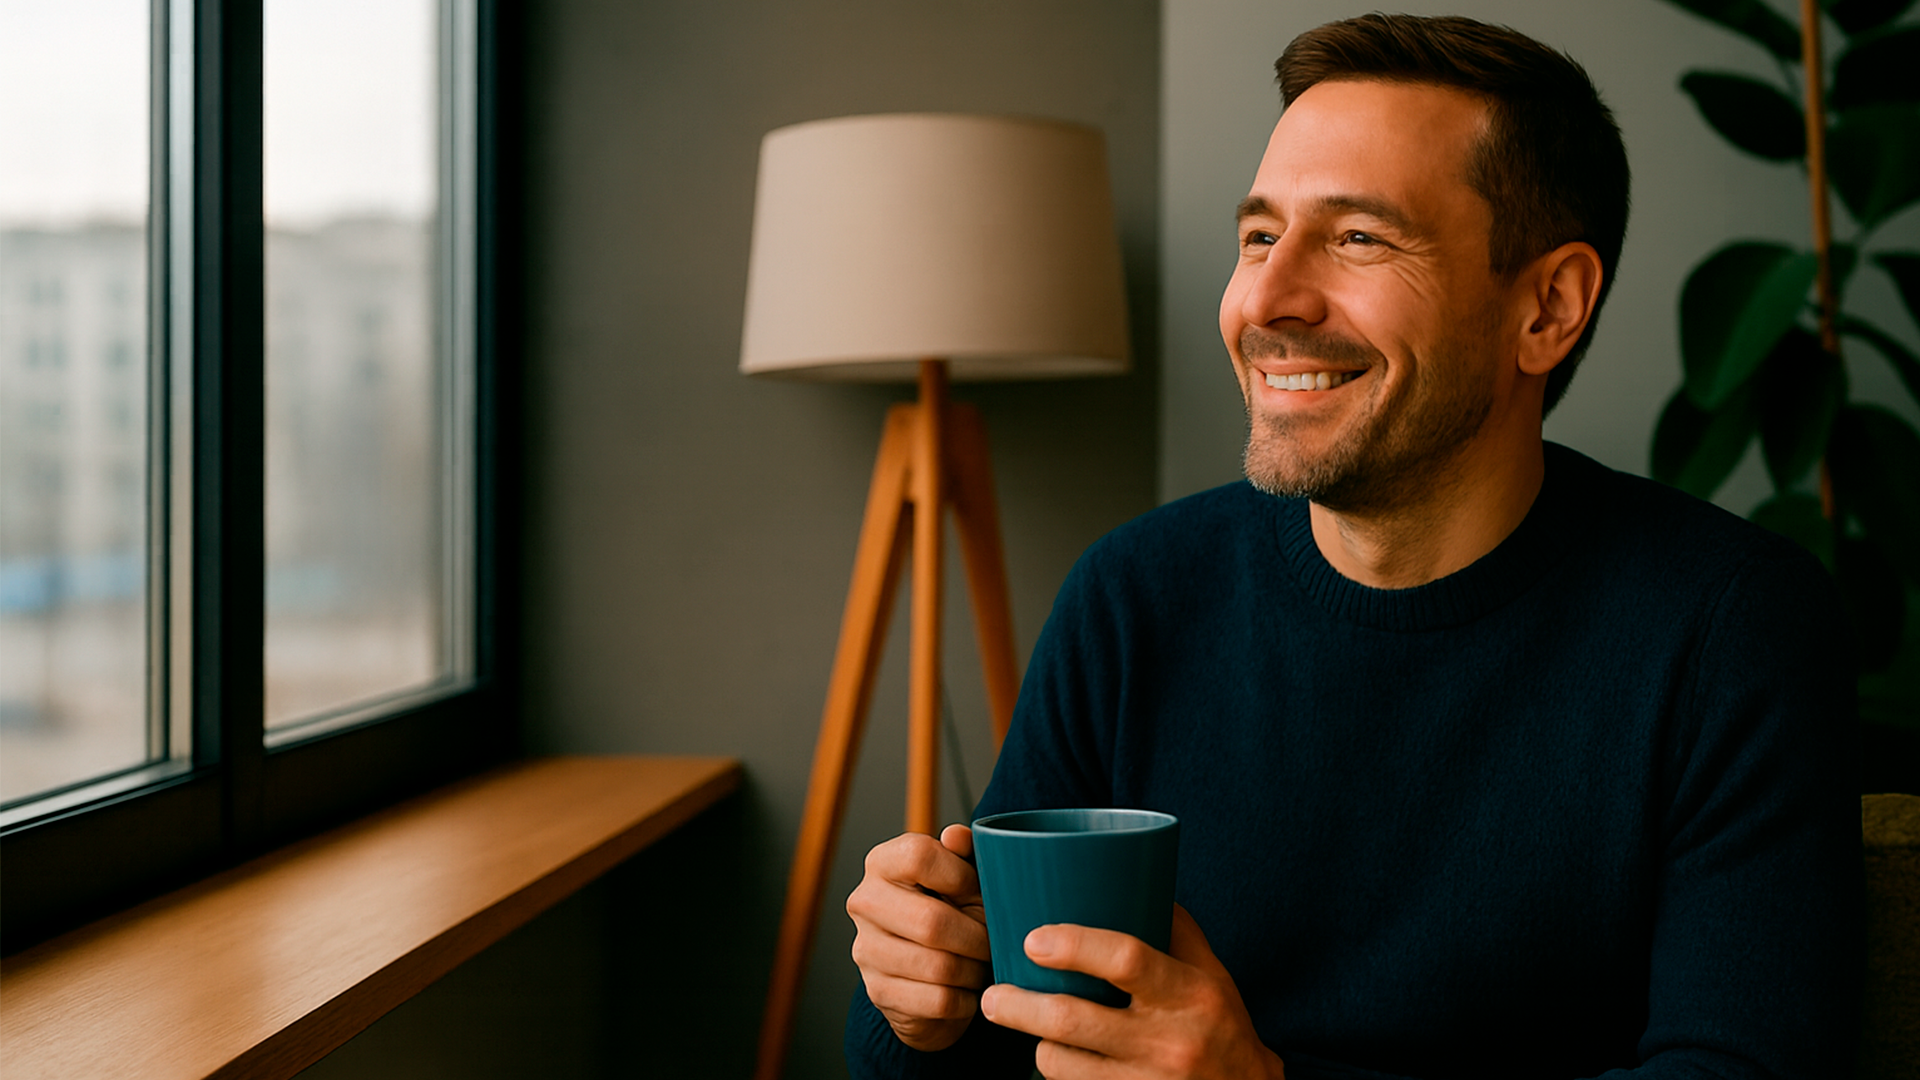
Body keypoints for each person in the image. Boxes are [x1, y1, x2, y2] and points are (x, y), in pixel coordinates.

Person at [842, 14, 1862, 1080]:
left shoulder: (1732, 628)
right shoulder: (1137, 594)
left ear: (1548, 307)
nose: (1267, 301)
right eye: (1258, 237)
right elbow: (1016, 1035)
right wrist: (923, 1005)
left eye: (1359, 237)